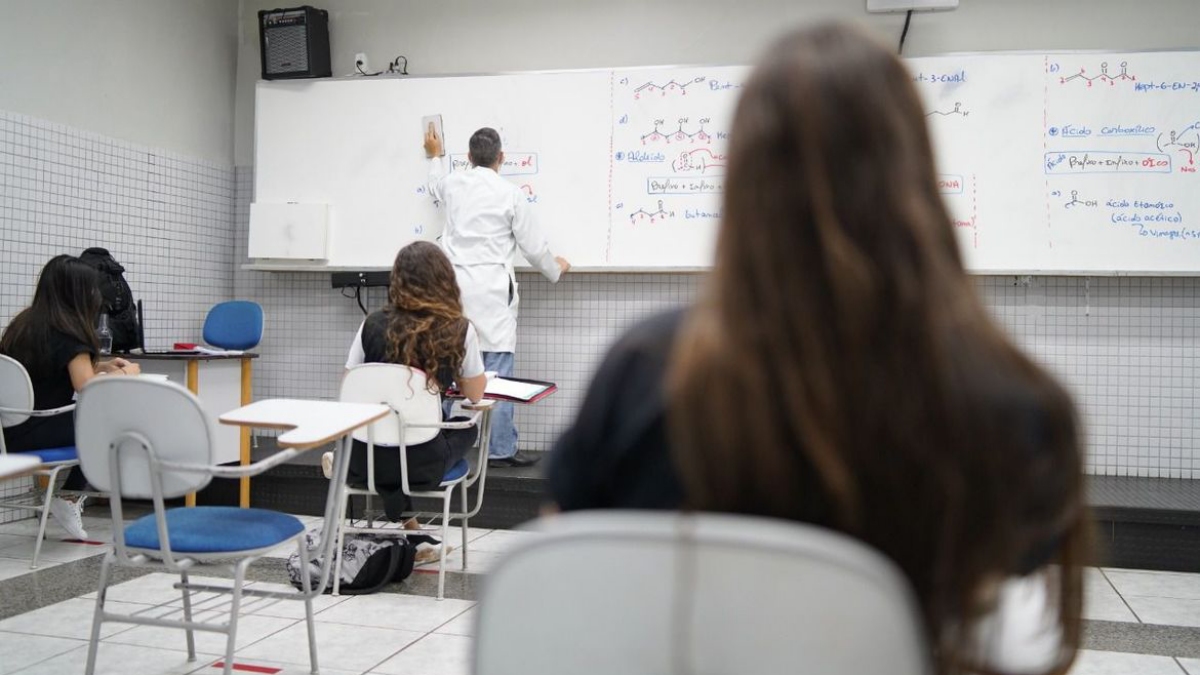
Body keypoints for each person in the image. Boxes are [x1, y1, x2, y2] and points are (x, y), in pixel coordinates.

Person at [547, 22, 1088, 675]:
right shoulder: (1018, 407)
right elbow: (1011, 639)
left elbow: (563, 580)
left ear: (743, 183)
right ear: (914, 173)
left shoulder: (646, 373)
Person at [424, 125, 570, 468]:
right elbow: (534, 248)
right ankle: (500, 449)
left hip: (455, 292)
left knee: (447, 365)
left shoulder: (453, 183)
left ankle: (433, 440)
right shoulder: (511, 194)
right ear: (501, 158)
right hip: (492, 293)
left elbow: (433, 185)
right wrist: (556, 269)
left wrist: (434, 156)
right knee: (498, 374)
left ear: (469, 157)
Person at [340, 242, 487, 562]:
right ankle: (415, 534)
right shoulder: (458, 329)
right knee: (466, 427)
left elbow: (349, 384)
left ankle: (413, 531)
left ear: (398, 279)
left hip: (362, 459)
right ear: (445, 280)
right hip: (421, 465)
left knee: (394, 434)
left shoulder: (371, 323)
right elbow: (476, 394)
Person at [0, 254, 142, 540]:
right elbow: (87, 387)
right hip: (43, 433)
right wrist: (127, 373)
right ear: (78, 294)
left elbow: (49, 369)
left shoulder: (22, 326)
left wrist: (101, 365)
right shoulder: (69, 333)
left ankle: (66, 499)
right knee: (115, 427)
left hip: (9, 433)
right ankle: (68, 498)